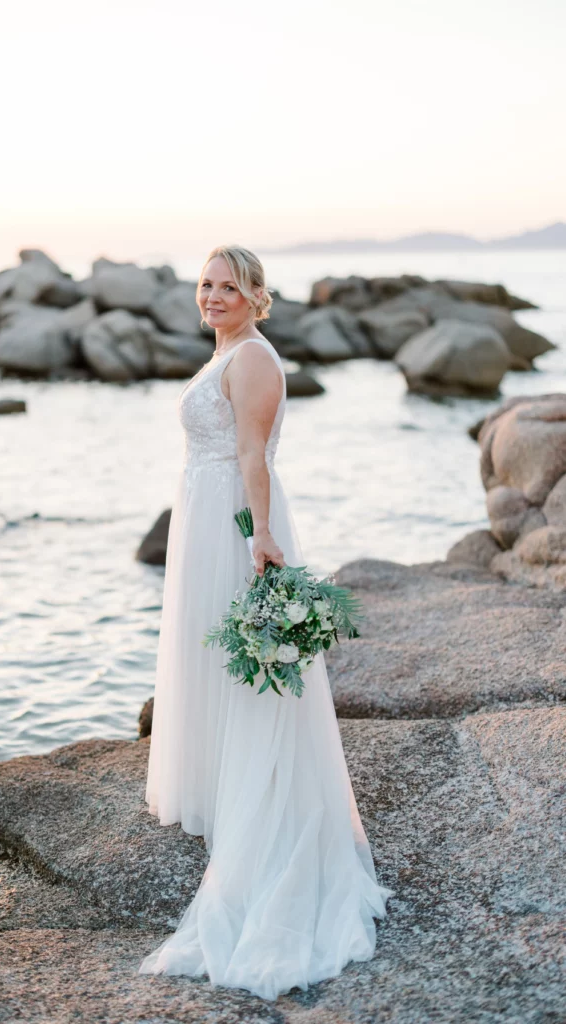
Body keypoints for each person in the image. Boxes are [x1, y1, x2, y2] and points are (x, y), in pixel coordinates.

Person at [138, 244, 392, 1001]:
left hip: (231, 522)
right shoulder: (227, 351)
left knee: (246, 673)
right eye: (205, 284)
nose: (212, 296)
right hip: (205, 513)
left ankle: (260, 822)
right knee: (213, 661)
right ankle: (227, 795)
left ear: (255, 294)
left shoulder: (252, 359)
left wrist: (260, 539)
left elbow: (253, 455)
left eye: (228, 286)